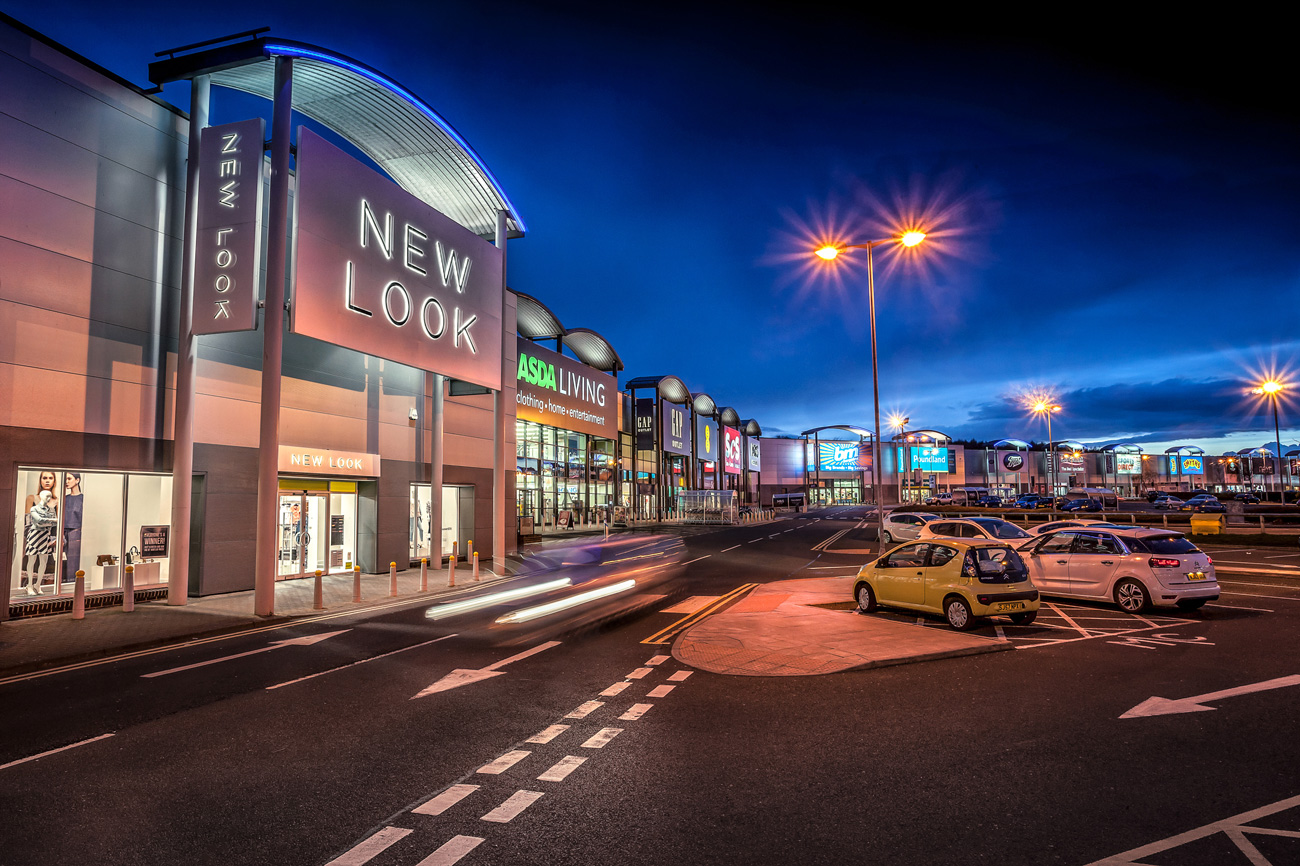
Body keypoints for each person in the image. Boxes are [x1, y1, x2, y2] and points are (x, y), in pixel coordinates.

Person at [21, 471, 59, 595]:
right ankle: (30, 585)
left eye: (50, 478)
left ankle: (38, 585)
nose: (47, 481)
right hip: (33, 535)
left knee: (45, 562)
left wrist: (55, 537)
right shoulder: (32, 499)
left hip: (48, 537)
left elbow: (57, 523)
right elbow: (29, 522)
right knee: (31, 561)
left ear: (54, 481)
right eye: (44, 478)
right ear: (40, 480)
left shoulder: (56, 501)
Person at [62, 472, 83, 585]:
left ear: (77, 480)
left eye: (69, 479)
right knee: (62, 561)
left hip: (76, 534)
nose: (67, 482)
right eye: (65, 479)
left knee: (74, 562)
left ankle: (73, 584)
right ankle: (63, 583)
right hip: (64, 534)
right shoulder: (65, 498)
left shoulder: (82, 498)